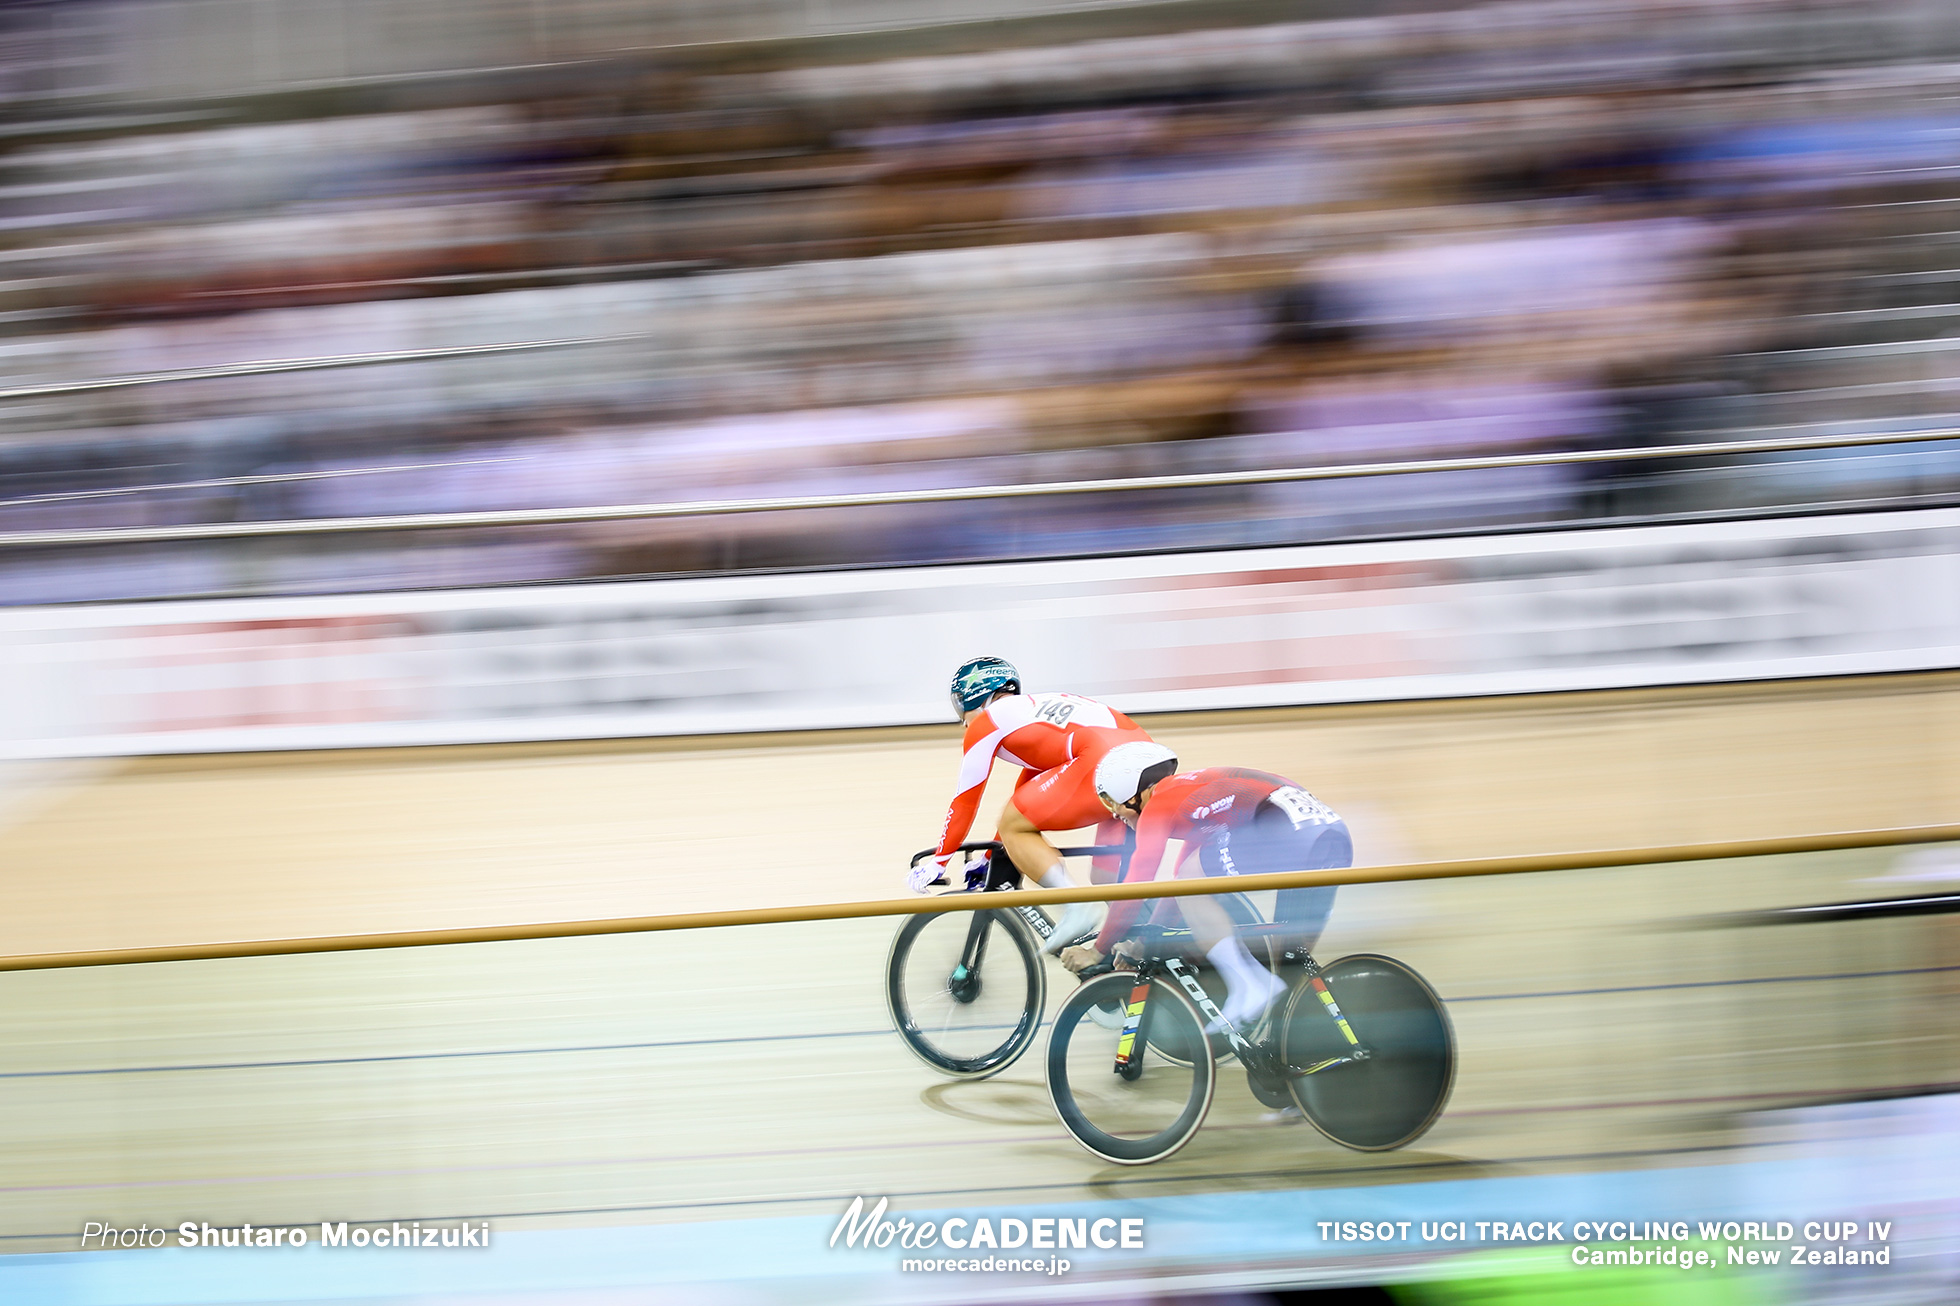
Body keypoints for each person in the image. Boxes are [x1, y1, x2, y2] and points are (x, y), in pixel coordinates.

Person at [1059, 743, 1350, 1033]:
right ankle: (1295, 1047)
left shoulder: (1159, 804)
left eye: (1110, 800)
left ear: (1131, 790)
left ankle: (1247, 984)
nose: (1112, 814)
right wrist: (1146, 942)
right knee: (1289, 962)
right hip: (1331, 837)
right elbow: (1180, 891)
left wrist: (1098, 949)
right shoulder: (1198, 804)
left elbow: (1136, 883)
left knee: (1196, 885)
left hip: (1284, 831)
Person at [910, 655, 1158, 954]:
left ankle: (1078, 907)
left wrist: (939, 861)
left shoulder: (987, 721)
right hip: (1146, 760)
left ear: (973, 696)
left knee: (1013, 825)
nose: (962, 721)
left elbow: (965, 800)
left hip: (1104, 762)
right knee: (1106, 878)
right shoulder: (1030, 715)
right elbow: (1030, 789)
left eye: (959, 705)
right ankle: (1150, 947)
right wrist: (992, 854)